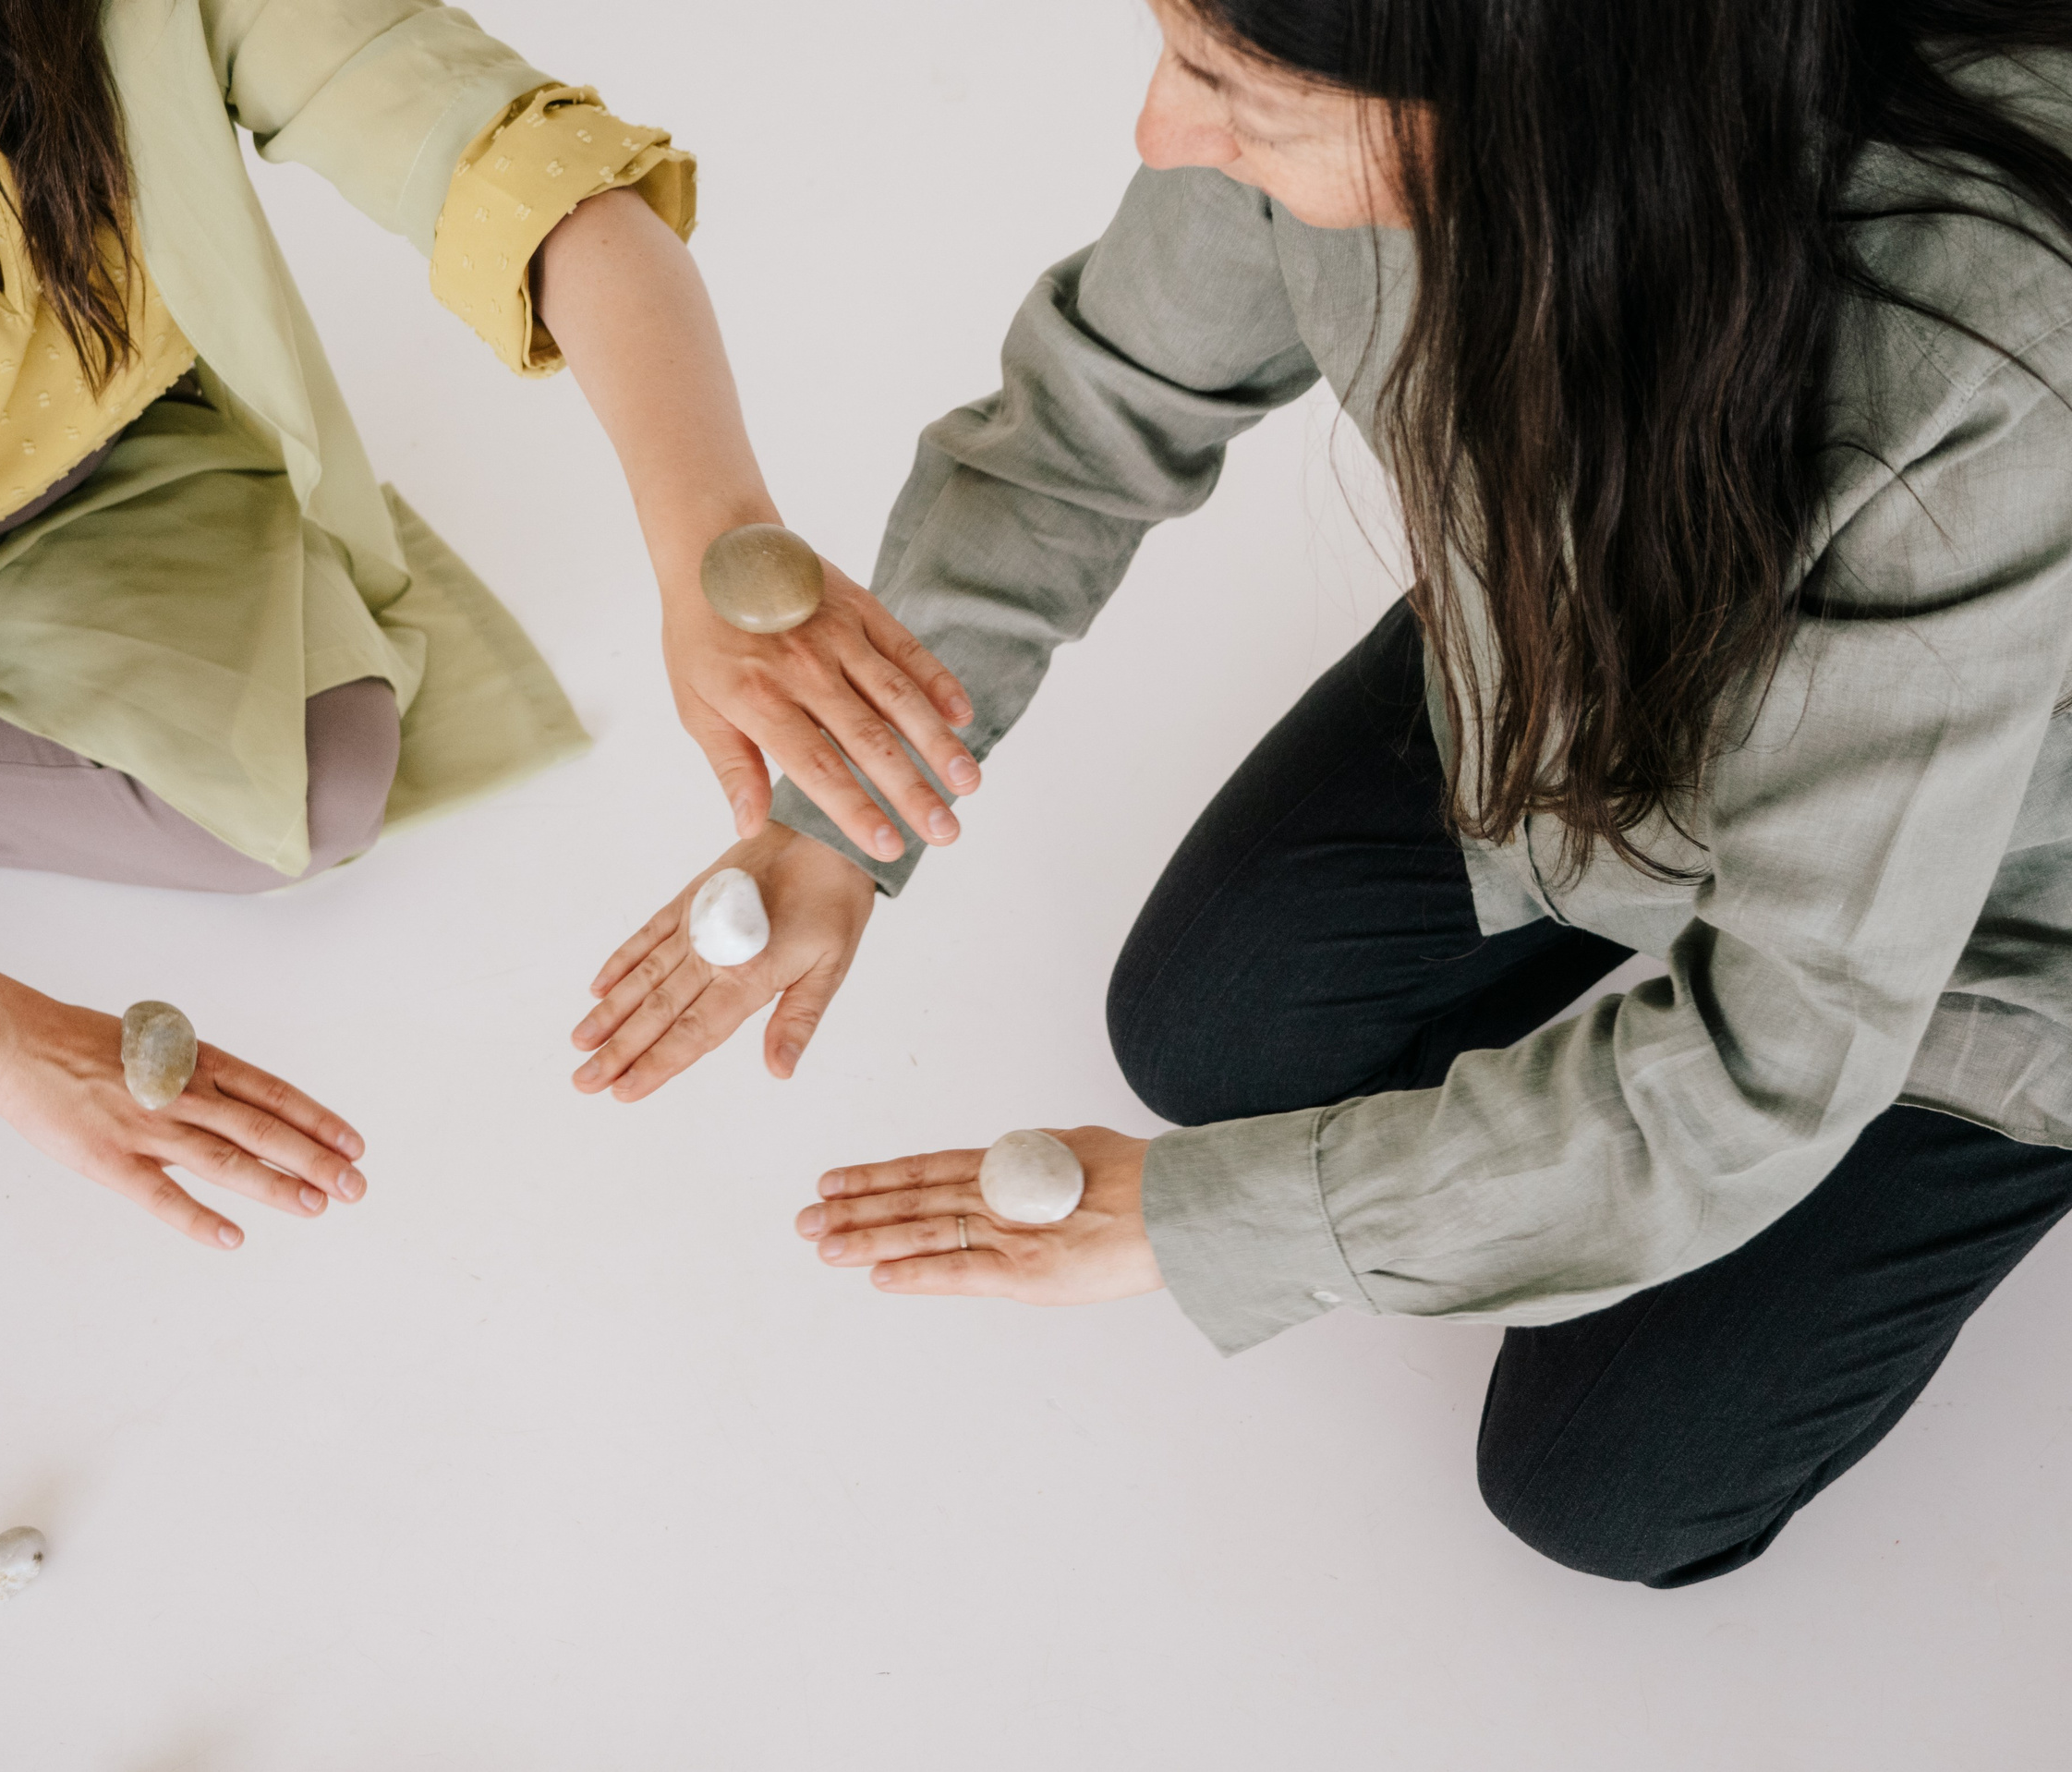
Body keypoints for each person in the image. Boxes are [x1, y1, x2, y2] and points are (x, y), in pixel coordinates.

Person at [579, 0, 2072, 1585]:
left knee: (1598, 1484)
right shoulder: (1363, 54)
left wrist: (1205, 1226)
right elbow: (1083, 425)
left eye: (1237, 88)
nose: (1162, 134)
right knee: (1208, 1035)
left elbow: (1773, 1051)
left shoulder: (1976, 353)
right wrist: (840, 812)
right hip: (1574, 684)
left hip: (1980, 905)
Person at [0, 0, 970, 1249]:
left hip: (95, 496)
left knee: (318, 778)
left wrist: (715, 545)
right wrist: (5, 1041)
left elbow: (527, 169)